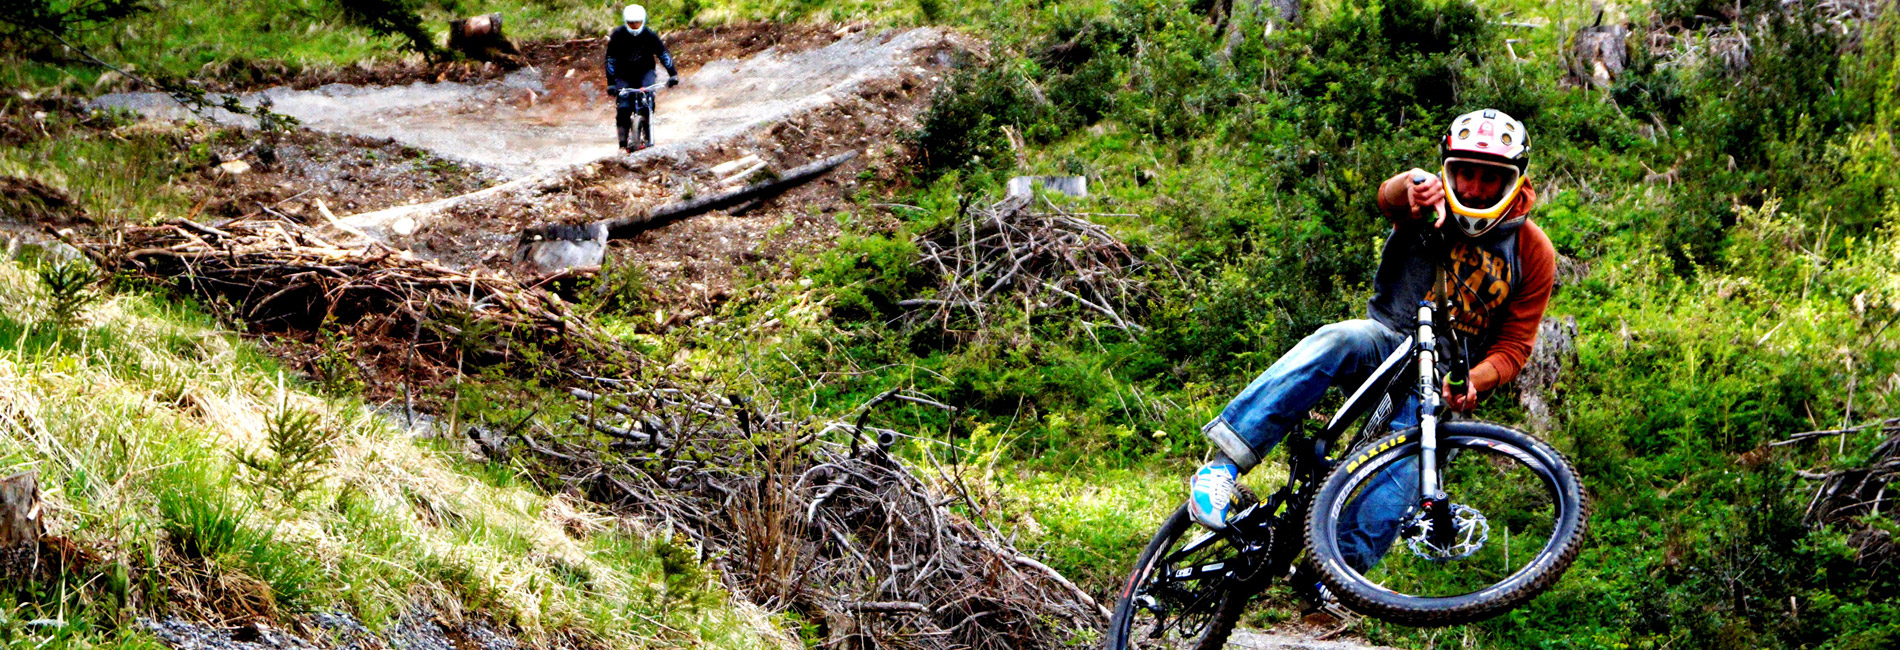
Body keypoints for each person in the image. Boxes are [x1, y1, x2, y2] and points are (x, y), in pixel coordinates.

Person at [1187, 108, 1554, 577]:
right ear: (1448, 168)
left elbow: (1514, 347)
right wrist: (1412, 185)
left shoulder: (1533, 252)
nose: (1474, 188)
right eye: (1463, 173)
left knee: (1398, 485)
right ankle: (1223, 468)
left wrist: (1474, 381)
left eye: (1489, 178)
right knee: (1339, 338)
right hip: (1387, 341)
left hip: (1437, 385)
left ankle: (1333, 580)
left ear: (1515, 181)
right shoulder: (1431, 202)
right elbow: (1391, 198)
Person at [604, 4, 680, 152]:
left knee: (648, 100)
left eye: (637, 22)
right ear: (626, 22)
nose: (634, 26)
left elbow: (663, 54)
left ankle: (648, 133)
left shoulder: (649, 35)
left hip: (645, 72)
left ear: (643, 21)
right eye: (631, 23)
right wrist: (611, 83)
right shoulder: (617, 36)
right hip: (623, 75)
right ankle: (622, 145)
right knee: (623, 109)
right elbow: (610, 60)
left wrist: (673, 74)